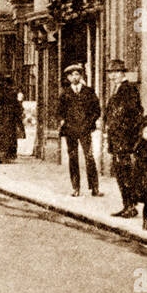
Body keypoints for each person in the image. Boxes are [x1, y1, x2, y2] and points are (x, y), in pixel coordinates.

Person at [58, 63, 102, 197]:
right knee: (73, 158)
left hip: (85, 129)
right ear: (68, 78)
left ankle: (94, 188)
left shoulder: (89, 92)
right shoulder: (65, 94)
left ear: (81, 76)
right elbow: (59, 112)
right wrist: (63, 121)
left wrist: (89, 123)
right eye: (71, 75)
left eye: (77, 74)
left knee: (89, 157)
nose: (74, 77)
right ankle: (75, 188)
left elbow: (97, 110)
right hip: (70, 130)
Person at [106, 63, 143, 218]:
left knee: (126, 173)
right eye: (110, 73)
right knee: (121, 174)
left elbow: (134, 114)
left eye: (116, 72)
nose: (112, 76)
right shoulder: (117, 89)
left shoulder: (129, 89)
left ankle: (131, 206)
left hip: (124, 140)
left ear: (122, 73)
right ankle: (126, 205)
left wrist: (126, 136)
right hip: (117, 139)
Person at [0, 75, 23, 163]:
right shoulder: (12, 93)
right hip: (9, 117)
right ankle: (6, 156)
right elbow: (17, 107)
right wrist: (18, 118)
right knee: (9, 137)